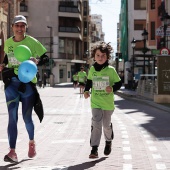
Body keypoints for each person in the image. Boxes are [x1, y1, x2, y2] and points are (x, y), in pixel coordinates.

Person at [0, 15, 49, 163]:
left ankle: (32, 142)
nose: (20, 28)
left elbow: (45, 57)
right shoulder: (8, 43)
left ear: (26, 27)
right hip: (11, 85)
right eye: (17, 25)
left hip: (27, 84)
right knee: (12, 117)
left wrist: (37, 60)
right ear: (13, 27)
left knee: (27, 117)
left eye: (22, 26)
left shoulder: (32, 42)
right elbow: (7, 60)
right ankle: (12, 151)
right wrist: (3, 66)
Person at [84, 41, 122, 159]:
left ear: (107, 56)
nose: (100, 58)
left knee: (106, 125)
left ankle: (108, 141)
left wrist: (113, 88)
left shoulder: (111, 70)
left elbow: (119, 83)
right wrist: (86, 91)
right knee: (96, 123)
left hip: (108, 103)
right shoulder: (92, 70)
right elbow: (89, 81)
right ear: (94, 56)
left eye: (103, 55)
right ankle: (94, 149)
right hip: (95, 102)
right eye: (98, 55)